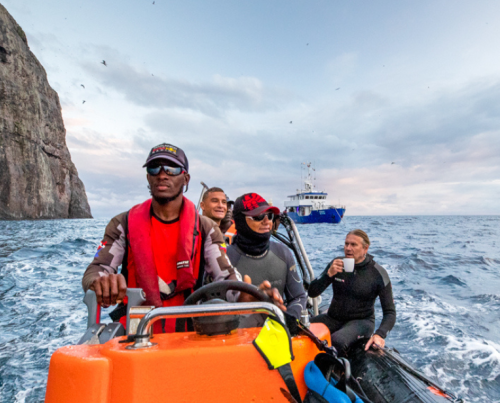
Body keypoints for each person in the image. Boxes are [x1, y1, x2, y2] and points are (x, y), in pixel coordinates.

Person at [82, 144, 245, 333]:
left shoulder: (206, 228)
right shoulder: (122, 224)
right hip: (137, 334)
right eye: (154, 168)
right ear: (148, 177)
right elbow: (95, 271)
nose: (162, 174)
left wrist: (246, 296)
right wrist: (101, 282)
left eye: (171, 169)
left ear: (185, 179)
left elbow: (225, 276)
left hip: (189, 333)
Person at [224, 193, 307, 327]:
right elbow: (211, 306)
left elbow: (298, 297)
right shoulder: (225, 258)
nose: (266, 221)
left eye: (269, 216)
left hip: (276, 331)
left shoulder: (283, 253)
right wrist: (240, 303)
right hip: (237, 338)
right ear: (240, 221)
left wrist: (289, 320)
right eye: (258, 217)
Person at [307, 229, 396, 354]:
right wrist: (328, 275)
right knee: (300, 327)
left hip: (361, 322)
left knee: (337, 340)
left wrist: (379, 334)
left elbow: (390, 312)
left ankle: (337, 371)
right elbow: (312, 292)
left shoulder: (377, 273)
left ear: (365, 248)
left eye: (353, 245)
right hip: (333, 318)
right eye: (346, 244)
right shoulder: (336, 264)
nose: (348, 248)